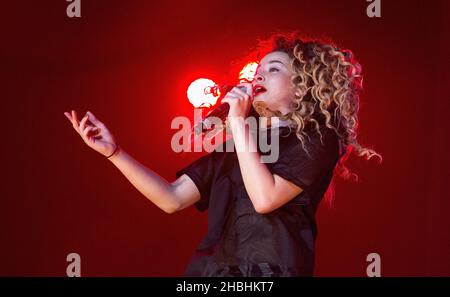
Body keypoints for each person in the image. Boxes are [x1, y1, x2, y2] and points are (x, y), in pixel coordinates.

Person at [64, 32, 382, 277]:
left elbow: (265, 199)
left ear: (300, 88)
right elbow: (171, 198)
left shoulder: (318, 138)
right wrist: (115, 152)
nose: (257, 76)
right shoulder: (239, 145)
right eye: (256, 70)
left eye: (272, 69)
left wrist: (237, 122)